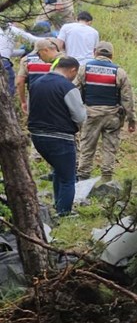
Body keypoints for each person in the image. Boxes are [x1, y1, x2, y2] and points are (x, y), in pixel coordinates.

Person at [27, 56, 85, 217]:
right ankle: (64, 213)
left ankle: (57, 205)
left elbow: (30, 107)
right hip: (60, 136)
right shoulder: (67, 87)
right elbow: (80, 116)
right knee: (68, 177)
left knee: (59, 170)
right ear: (73, 69)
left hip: (37, 135)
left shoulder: (36, 83)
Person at [75, 41, 135, 182]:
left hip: (90, 114)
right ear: (112, 55)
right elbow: (127, 99)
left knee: (87, 147)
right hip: (113, 116)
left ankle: (83, 178)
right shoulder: (119, 72)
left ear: (95, 52)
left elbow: (75, 91)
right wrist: (131, 119)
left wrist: (77, 113)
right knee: (110, 147)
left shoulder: (84, 69)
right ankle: (107, 179)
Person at [14, 37, 60, 115]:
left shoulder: (26, 59)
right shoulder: (64, 59)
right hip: (56, 96)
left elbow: (19, 82)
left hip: (34, 96)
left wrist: (23, 102)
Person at [0, 19, 36, 96]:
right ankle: (9, 100)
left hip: (3, 58)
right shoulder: (11, 29)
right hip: (3, 60)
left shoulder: (2, 31)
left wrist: (23, 51)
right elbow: (31, 38)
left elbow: (7, 51)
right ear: (13, 22)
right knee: (10, 78)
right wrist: (48, 40)